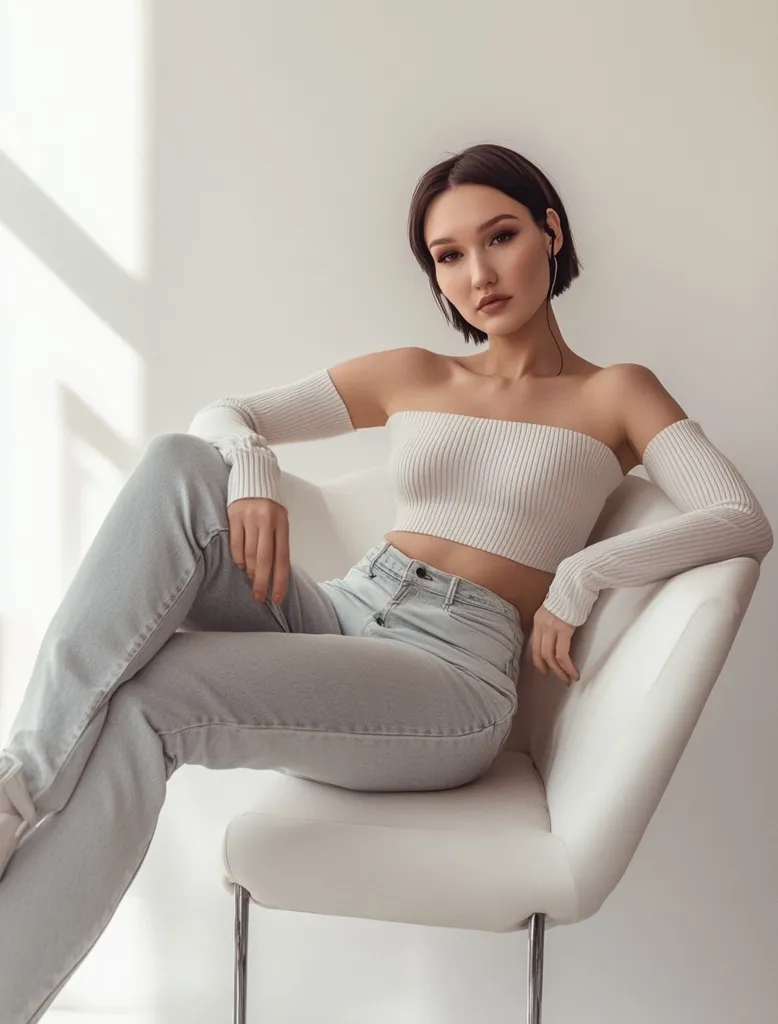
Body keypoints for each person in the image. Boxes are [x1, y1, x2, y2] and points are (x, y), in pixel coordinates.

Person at [0, 143, 772, 1022]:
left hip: (451, 678)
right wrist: (250, 464)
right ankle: (15, 785)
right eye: (449, 256)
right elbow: (230, 414)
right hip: (340, 608)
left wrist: (582, 575)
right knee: (182, 464)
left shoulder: (617, 394)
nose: (479, 273)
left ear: (551, 232)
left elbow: (741, 518)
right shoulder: (416, 373)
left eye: (501, 236)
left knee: (156, 695)